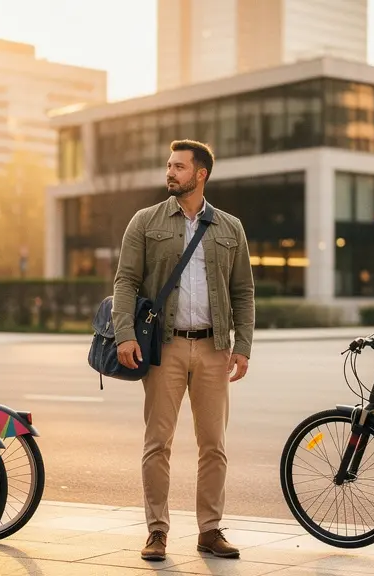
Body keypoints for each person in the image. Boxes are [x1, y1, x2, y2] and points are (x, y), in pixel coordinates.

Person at [111, 139, 255, 562]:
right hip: (165, 347)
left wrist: (242, 345)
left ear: (201, 174)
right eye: (169, 165)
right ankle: (157, 531)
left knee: (214, 445)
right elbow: (125, 282)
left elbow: (244, 291)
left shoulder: (230, 227)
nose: (170, 172)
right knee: (158, 443)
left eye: (178, 167)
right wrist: (125, 335)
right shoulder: (145, 220)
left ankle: (210, 530)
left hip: (213, 348)